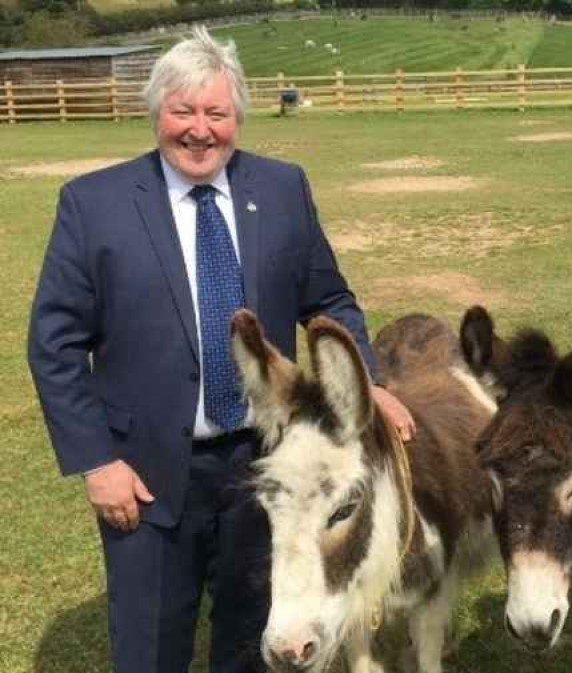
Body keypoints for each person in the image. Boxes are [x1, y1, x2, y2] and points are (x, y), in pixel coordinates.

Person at [27, 27, 414, 673]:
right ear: (156, 113)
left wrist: (366, 379)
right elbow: (55, 343)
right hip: (145, 471)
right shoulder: (93, 205)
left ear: (238, 116)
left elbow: (329, 299)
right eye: (183, 111)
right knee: (150, 644)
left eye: (216, 112)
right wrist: (98, 461)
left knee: (250, 634)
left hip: (265, 465)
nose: (200, 130)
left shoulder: (284, 187)